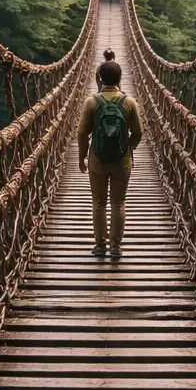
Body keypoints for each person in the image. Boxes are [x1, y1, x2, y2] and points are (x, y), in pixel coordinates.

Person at [77, 59, 142, 260]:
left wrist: (82, 157)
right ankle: (115, 246)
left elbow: (82, 132)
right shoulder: (129, 102)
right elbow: (138, 132)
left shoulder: (91, 102)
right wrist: (128, 148)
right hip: (122, 161)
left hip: (97, 160)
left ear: (100, 79)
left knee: (98, 203)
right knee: (118, 203)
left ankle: (99, 245)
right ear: (120, 79)